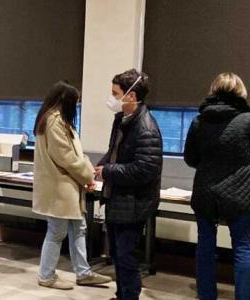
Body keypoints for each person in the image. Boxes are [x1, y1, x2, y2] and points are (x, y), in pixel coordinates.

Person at [184, 72, 250, 300]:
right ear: (240, 92)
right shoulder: (248, 120)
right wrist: (243, 158)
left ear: (213, 91)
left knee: (205, 247)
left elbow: (190, 158)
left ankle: (207, 296)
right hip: (240, 193)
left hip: (205, 191)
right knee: (243, 247)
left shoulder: (199, 121)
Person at [32, 81, 112, 290]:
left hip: (68, 185)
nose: (76, 107)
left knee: (79, 229)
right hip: (60, 187)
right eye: (75, 102)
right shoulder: (53, 121)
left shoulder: (56, 120)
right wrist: (87, 176)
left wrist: (86, 176)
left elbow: (74, 154)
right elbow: (66, 157)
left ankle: (83, 272)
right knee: (57, 232)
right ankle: (46, 275)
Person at [95, 69, 163, 300]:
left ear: (131, 96)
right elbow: (114, 153)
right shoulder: (121, 120)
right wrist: (98, 168)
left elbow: (145, 169)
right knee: (116, 254)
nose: (112, 98)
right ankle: (122, 294)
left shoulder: (146, 127)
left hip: (134, 203)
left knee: (126, 256)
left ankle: (130, 296)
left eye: (116, 93)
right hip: (117, 198)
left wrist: (108, 171)